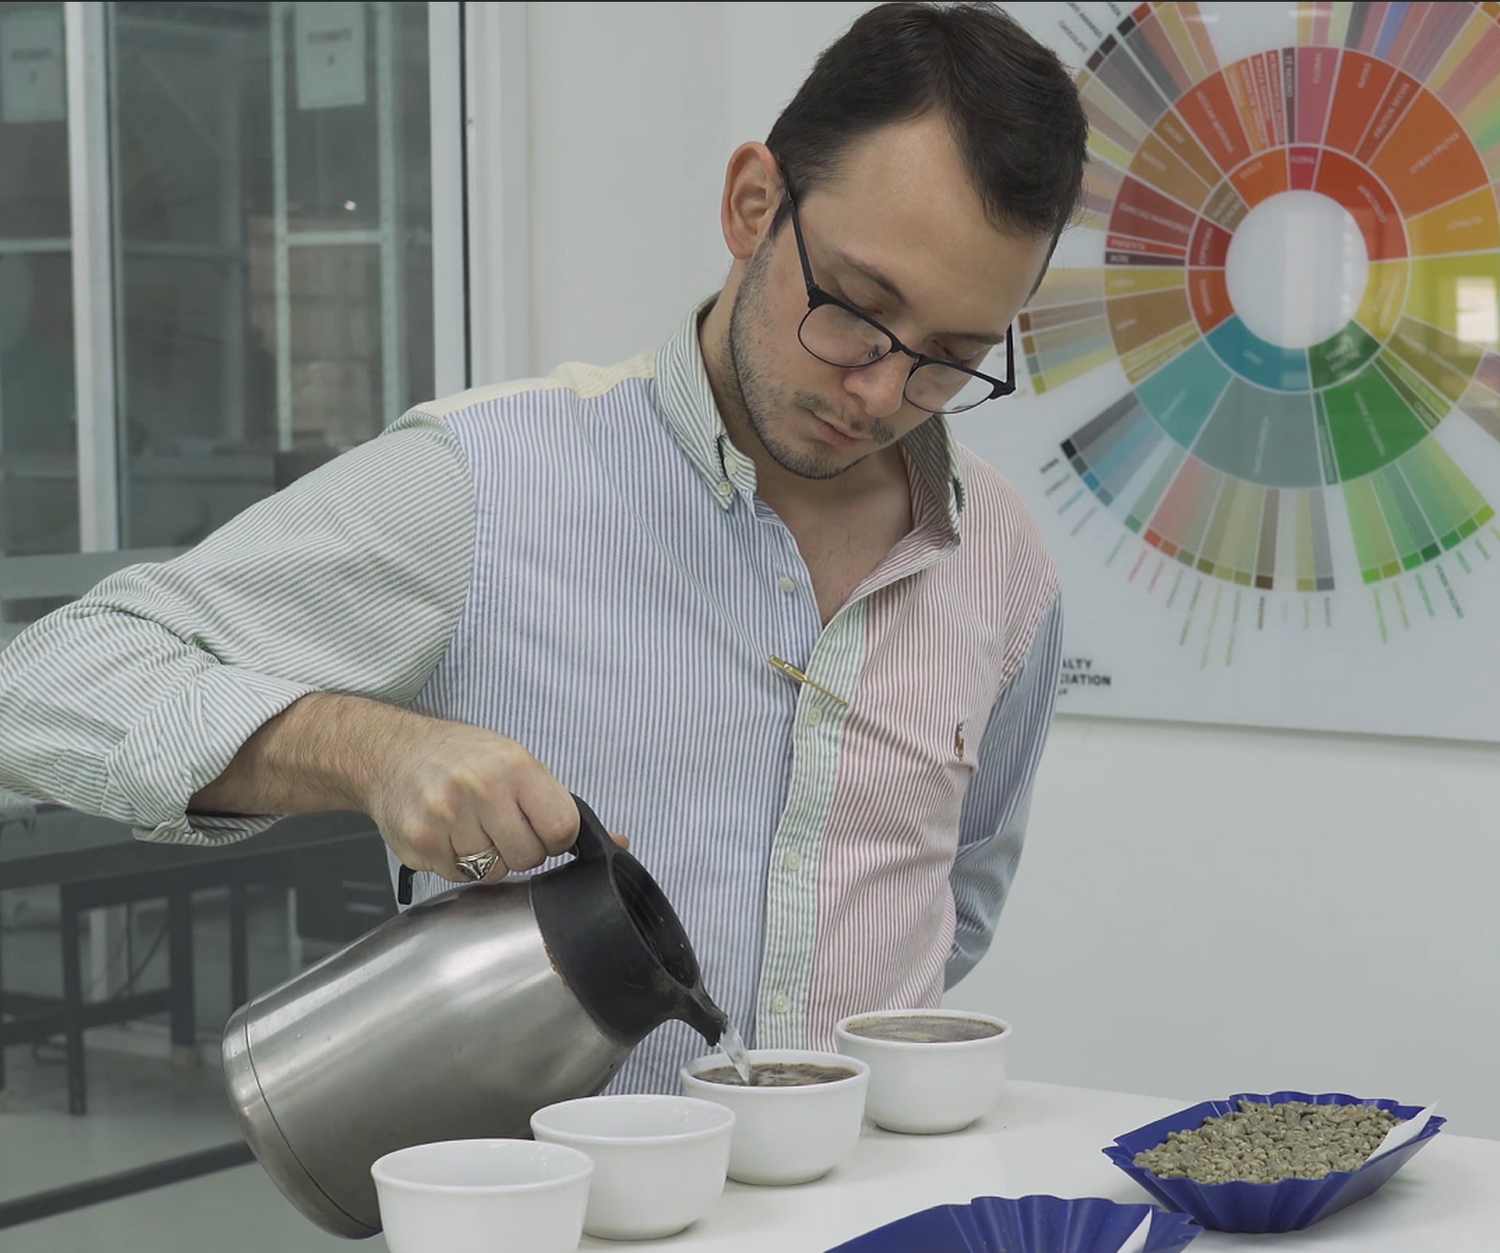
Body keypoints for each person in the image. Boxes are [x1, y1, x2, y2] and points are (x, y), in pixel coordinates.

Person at [0, 2, 1087, 1093]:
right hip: (545, 1247)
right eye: (857, 307)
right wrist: (371, 753)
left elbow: (956, 901)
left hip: (860, 1234)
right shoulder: (488, 483)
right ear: (754, 204)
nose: (883, 392)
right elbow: (46, 686)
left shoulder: (1000, 562)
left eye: (951, 357)